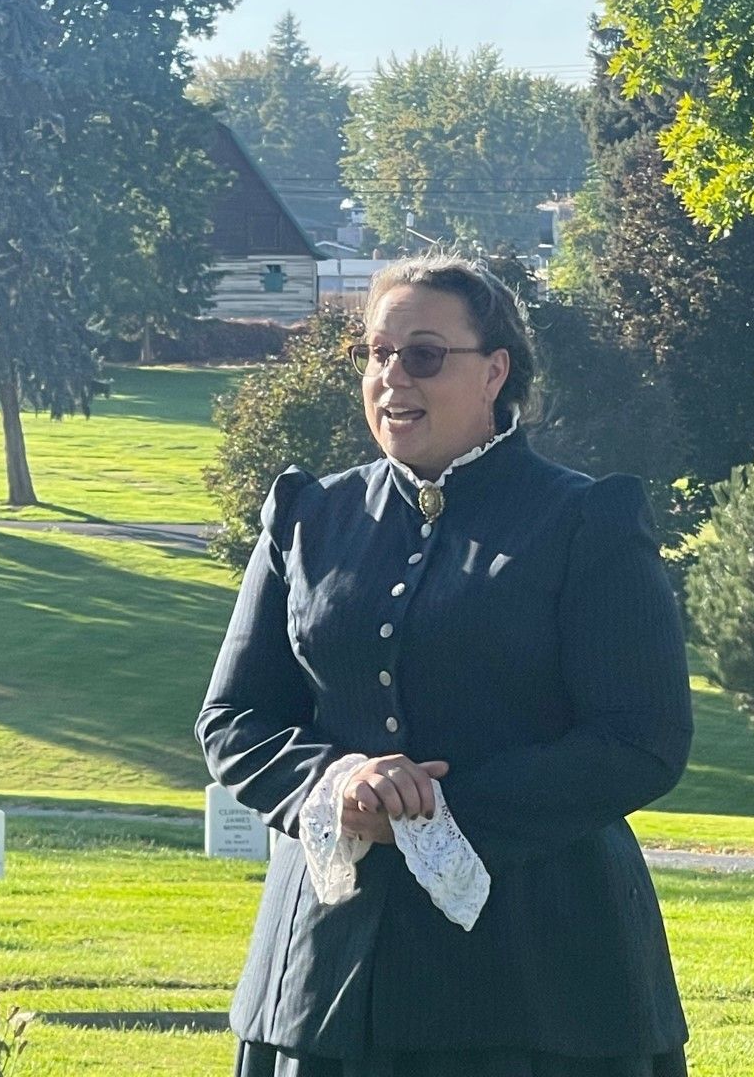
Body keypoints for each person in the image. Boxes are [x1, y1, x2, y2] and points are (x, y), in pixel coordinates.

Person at [196, 254, 693, 1077]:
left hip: (540, 974)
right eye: (376, 353)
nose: (392, 377)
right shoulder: (310, 517)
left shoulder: (584, 520)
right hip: (329, 973)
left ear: (495, 370)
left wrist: (432, 814)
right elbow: (234, 720)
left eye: (424, 355)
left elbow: (643, 738)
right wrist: (341, 785)